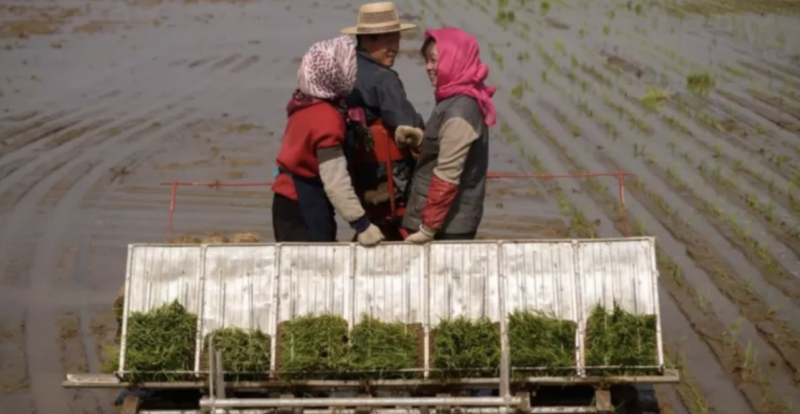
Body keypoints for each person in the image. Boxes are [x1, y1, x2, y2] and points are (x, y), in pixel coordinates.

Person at [271, 35, 384, 246]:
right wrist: (362, 225)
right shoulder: (327, 119)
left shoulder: (302, 104)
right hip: (303, 206)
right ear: (336, 72)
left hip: (285, 201)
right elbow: (335, 180)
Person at [401, 27, 497, 243]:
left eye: (434, 60)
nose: (428, 67)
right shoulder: (451, 97)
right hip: (440, 219)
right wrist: (421, 141)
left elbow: (447, 175)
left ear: (455, 60)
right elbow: (445, 147)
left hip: (448, 226)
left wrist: (427, 229)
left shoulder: (460, 112)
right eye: (427, 60)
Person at [341, 2, 426, 241]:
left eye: (396, 40)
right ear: (367, 40)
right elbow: (408, 122)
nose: (395, 48)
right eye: (387, 41)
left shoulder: (344, 72)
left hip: (354, 174)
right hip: (386, 178)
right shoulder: (383, 79)